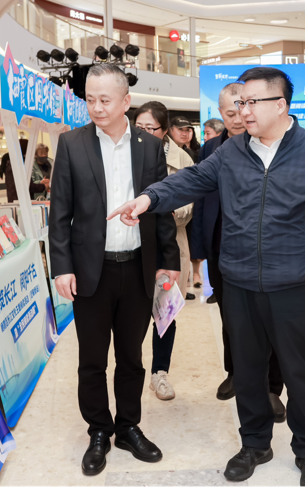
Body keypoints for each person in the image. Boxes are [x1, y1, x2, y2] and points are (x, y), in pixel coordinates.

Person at [109, 67, 305, 487]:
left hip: (292, 283)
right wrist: (149, 198)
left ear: (281, 104)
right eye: (241, 102)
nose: (244, 111)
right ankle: (254, 443)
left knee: (299, 371)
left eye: (252, 102)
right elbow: (191, 180)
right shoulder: (231, 151)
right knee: (248, 369)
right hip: (238, 282)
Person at [48, 63, 180, 476]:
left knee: (131, 357)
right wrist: (61, 267)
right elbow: (59, 213)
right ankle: (99, 431)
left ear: (126, 101)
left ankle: (128, 427)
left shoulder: (149, 147)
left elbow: (161, 208)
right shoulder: (72, 143)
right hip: (92, 271)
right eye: (90, 99)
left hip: (137, 269)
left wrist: (169, 262)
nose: (97, 108)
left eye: (105, 100)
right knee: (92, 360)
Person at [193, 82, 287, 417]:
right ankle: (235, 372)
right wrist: (199, 247)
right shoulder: (211, 148)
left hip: (262, 249)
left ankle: (272, 386)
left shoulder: (267, 145)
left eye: (243, 109)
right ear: (221, 113)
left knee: (271, 319)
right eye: (230, 112)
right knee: (230, 314)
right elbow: (200, 195)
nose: (238, 117)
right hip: (221, 244)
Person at [133, 101, 195, 401]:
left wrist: (167, 211)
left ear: (164, 130)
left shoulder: (181, 159)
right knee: (133, 313)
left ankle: (160, 373)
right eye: (139, 127)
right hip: (135, 244)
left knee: (164, 313)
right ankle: (132, 370)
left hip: (169, 246)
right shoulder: (127, 153)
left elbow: (190, 204)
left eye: (150, 128)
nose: (144, 133)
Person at [1, 138, 48, 203]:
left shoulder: (12, 162)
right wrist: (44, 187)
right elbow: (28, 186)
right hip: (22, 202)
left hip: (14, 200)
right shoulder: (22, 164)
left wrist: (40, 183)